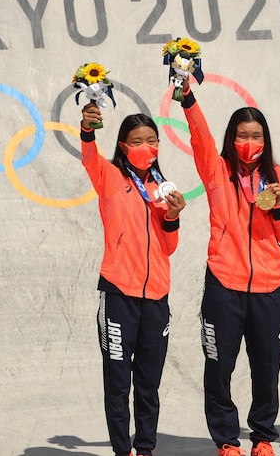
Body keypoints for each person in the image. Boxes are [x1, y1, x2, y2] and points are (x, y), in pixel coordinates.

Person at [179, 83, 280, 456]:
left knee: (267, 370)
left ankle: (262, 438)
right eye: (242, 135)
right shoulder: (216, 172)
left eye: (256, 134)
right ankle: (227, 441)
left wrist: (278, 208)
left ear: (265, 139)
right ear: (232, 138)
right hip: (224, 286)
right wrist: (187, 97)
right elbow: (200, 136)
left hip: (269, 288)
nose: (249, 141)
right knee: (219, 369)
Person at [79, 103, 186, 456]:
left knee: (148, 384)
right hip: (119, 294)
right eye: (137, 141)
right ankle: (122, 451)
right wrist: (87, 129)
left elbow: (168, 247)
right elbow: (90, 160)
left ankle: (145, 450)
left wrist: (171, 216)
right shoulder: (110, 176)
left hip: (157, 296)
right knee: (118, 382)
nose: (146, 147)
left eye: (152, 140)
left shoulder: (162, 188)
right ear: (124, 146)